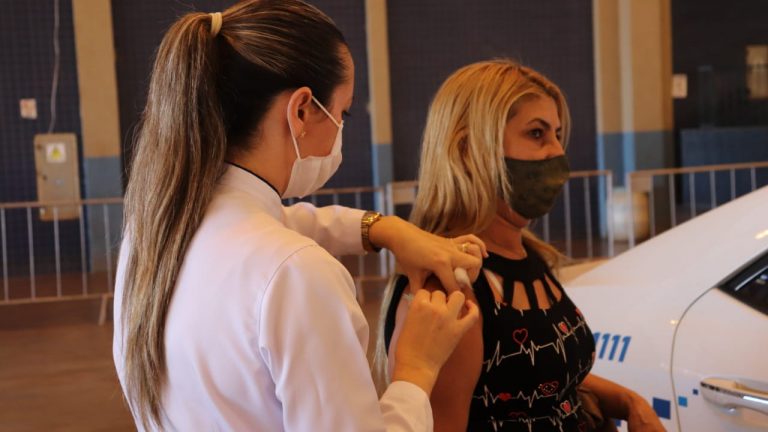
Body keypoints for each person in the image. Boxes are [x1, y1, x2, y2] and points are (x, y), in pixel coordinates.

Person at [113, 1, 485, 430]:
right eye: (342, 113)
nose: (341, 129)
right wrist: (416, 368)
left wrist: (385, 229)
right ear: (302, 110)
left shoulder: (157, 233)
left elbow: (287, 226)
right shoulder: (297, 274)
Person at [380, 60, 665, 432]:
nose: (556, 152)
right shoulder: (453, 285)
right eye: (536, 134)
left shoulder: (526, 255)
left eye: (557, 135)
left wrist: (629, 402)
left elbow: (534, 378)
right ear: (469, 150)